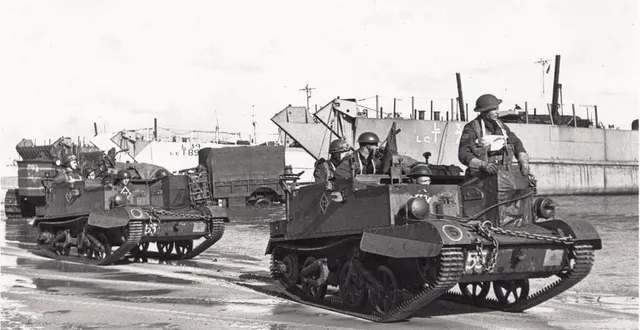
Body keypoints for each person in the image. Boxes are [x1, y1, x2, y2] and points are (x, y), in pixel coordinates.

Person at [458, 94, 530, 177]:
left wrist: (523, 161)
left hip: (502, 177)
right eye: (494, 109)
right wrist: (482, 165)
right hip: (479, 178)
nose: (498, 112)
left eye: (497, 108)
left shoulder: (501, 126)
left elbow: (516, 143)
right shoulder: (472, 128)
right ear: (484, 111)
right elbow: (463, 154)